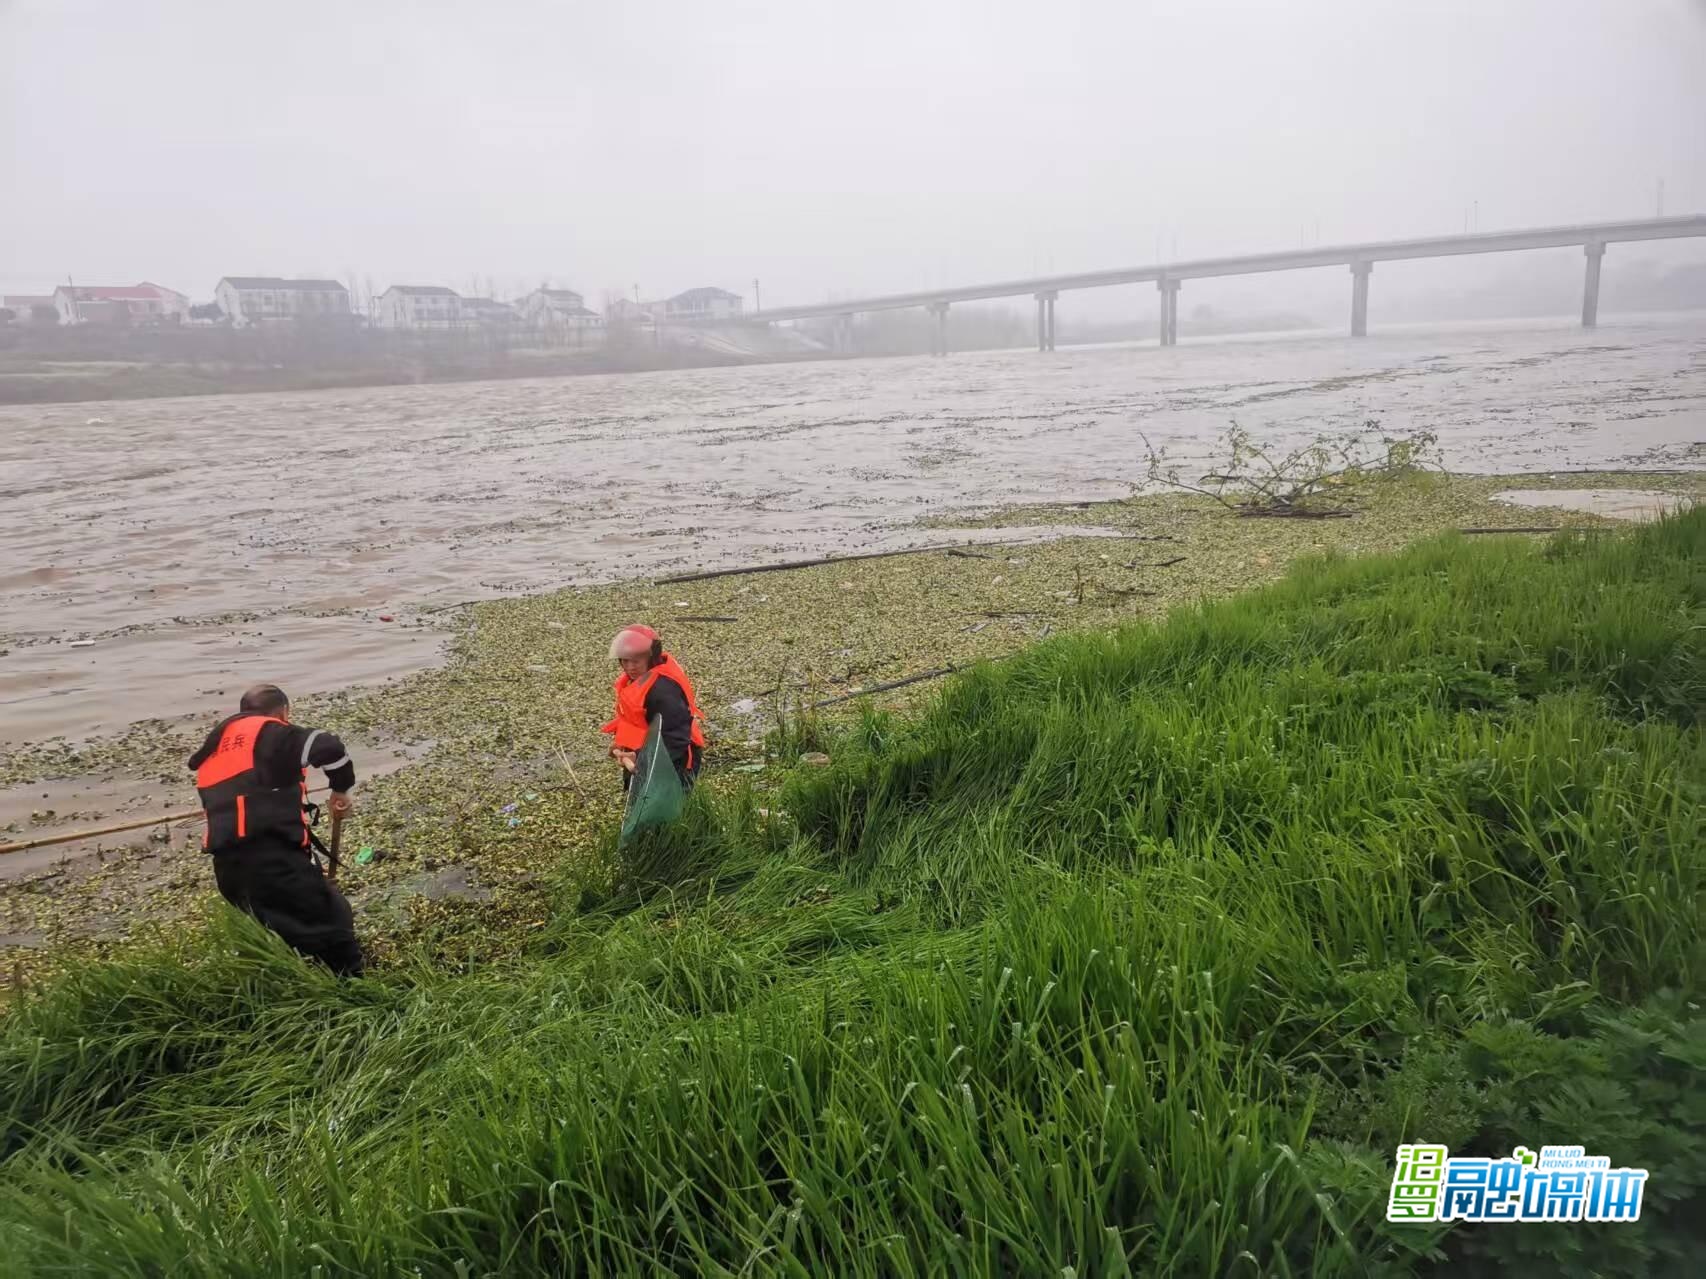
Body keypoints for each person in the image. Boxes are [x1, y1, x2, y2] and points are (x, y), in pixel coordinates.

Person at [187, 683, 364, 976]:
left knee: (284, 933)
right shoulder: (270, 732)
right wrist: (340, 790)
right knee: (334, 923)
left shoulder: (214, 749)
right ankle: (355, 992)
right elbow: (328, 747)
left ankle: (298, 983)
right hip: (272, 862)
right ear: (283, 712)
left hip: (230, 873)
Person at [601, 624, 706, 788]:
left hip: (674, 761)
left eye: (636, 661)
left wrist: (640, 758)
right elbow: (636, 721)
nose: (630, 667)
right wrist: (621, 744)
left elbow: (675, 739)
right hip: (642, 754)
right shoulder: (637, 679)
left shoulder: (663, 691)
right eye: (625, 660)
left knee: (666, 802)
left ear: (651, 659)